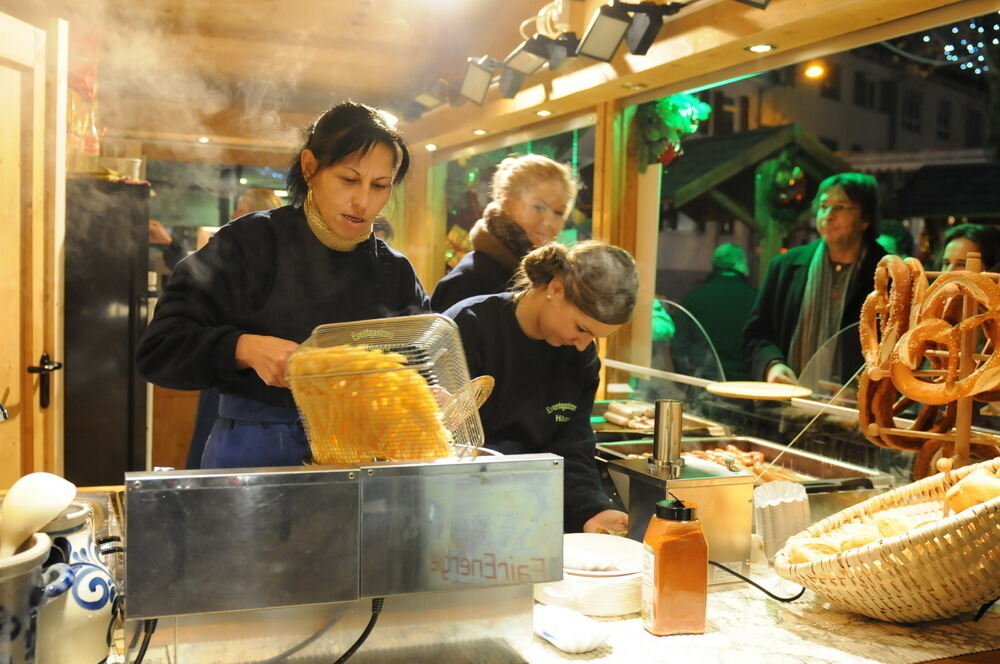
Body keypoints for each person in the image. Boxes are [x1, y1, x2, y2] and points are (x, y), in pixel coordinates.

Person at [138, 101, 430, 469]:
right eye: (349, 180)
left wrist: (427, 395)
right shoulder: (249, 243)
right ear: (310, 168)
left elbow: (421, 364)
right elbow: (160, 349)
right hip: (254, 455)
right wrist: (244, 348)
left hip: (360, 458)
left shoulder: (393, 271)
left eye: (380, 186)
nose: (363, 201)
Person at [444, 241, 639, 533]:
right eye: (581, 328)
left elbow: (572, 446)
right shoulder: (469, 327)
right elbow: (445, 447)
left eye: (594, 338)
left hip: (531, 517)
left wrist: (592, 509)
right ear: (556, 289)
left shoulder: (581, 358)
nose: (583, 345)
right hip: (460, 513)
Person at [743, 173, 886, 385]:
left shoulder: (888, 273)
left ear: (865, 219)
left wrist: (863, 389)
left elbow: (900, 349)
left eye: (840, 207)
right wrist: (772, 365)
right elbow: (756, 334)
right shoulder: (785, 266)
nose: (828, 215)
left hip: (855, 402)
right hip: (789, 397)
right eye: (823, 206)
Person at [184, 187, 284, 470]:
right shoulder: (235, 254)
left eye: (239, 210)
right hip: (234, 370)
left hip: (240, 385)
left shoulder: (247, 256)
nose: (233, 215)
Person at [431, 154, 578, 312]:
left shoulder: (551, 282)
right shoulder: (470, 279)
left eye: (559, 212)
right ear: (507, 200)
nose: (549, 222)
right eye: (538, 207)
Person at [674, 244, 757, 381]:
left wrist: (691, 379)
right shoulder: (756, 299)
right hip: (746, 384)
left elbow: (679, 346)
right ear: (739, 264)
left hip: (705, 382)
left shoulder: (693, 298)